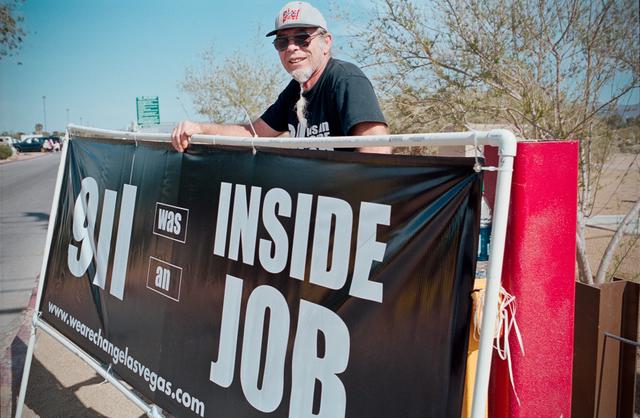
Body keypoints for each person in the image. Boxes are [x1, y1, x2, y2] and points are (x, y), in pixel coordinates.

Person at [172, 1, 390, 154]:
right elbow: (252, 133)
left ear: (326, 42)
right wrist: (200, 129)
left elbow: (377, 148)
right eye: (282, 42)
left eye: (303, 38)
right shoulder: (294, 91)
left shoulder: (346, 80)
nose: (292, 48)